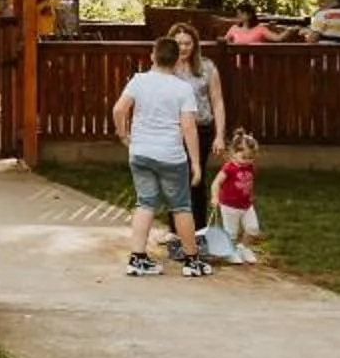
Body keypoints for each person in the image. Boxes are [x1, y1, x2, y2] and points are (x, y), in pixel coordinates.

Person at [112, 32, 212, 278]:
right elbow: (189, 127)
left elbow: (118, 109)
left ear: (152, 56)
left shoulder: (138, 80)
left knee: (145, 203)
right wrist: (196, 163)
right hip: (171, 155)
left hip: (140, 152)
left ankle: (137, 258)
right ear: (178, 60)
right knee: (180, 206)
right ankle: (192, 260)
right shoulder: (182, 88)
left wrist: (123, 134)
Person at [166, 22, 232, 260]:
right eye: (178, 43)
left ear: (194, 44)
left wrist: (219, 134)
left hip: (201, 129)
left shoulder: (206, 68)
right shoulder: (166, 68)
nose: (183, 48)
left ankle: (198, 234)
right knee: (176, 180)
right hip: (173, 131)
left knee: (196, 179)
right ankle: (175, 236)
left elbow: (217, 101)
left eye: (187, 43)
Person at [210, 130, 265, 264]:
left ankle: (243, 248)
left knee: (253, 229)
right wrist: (214, 197)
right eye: (244, 157)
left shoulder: (250, 167)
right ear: (233, 153)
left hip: (246, 205)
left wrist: (250, 194)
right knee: (231, 233)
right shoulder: (229, 168)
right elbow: (216, 183)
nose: (247, 161)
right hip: (229, 206)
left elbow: (247, 183)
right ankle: (230, 252)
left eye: (251, 157)